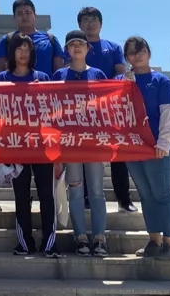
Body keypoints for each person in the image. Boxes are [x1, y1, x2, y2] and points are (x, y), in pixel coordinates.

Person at [0, 33, 60, 258]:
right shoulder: (2, 78)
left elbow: (54, 112)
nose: (23, 53)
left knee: (46, 195)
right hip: (14, 146)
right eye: (19, 48)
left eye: (27, 48)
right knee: (21, 195)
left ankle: (49, 243)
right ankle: (25, 242)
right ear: (11, 52)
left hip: (41, 145)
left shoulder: (42, 77)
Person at [72, 6, 136, 213]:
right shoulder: (75, 47)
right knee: (84, 152)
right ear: (79, 25)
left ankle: (124, 199)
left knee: (118, 154)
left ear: (101, 23)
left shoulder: (113, 47)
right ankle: (85, 197)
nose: (90, 24)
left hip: (109, 107)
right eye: (85, 20)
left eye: (94, 19)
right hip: (82, 109)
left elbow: (119, 74)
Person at [123, 36, 170, 261]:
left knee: (162, 193)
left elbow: (167, 112)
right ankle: (154, 241)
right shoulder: (122, 81)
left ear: (149, 53)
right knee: (146, 195)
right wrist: (123, 85)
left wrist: (164, 141)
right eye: (132, 52)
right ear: (126, 57)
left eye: (141, 51)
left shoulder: (160, 81)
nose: (137, 56)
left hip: (156, 146)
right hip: (132, 147)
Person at [54, 30, 110, 257]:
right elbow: (51, 107)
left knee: (96, 191)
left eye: (81, 44)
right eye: (72, 44)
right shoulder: (59, 75)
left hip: (94, 141)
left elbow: (108, 106)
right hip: (70, 142)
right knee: (75, 189)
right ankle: (80, 236)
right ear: (67, 50)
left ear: (88, 48)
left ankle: (99, 237)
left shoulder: (98, 74)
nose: (76, 48)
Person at [0, 0, 64, 77]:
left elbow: (59, 73)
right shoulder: (7, 40)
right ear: (14, 18)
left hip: (44, 84)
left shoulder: (51, 39)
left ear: (35, 15)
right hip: (15, 85)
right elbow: (0, 72)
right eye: (20, 13)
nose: (24, 16)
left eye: (28, 12)